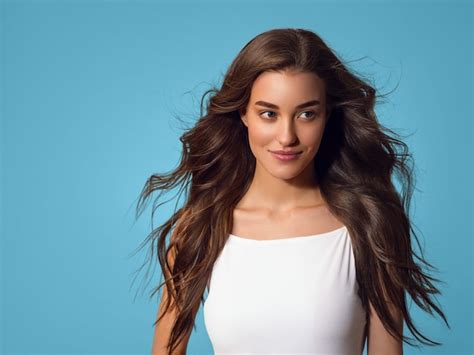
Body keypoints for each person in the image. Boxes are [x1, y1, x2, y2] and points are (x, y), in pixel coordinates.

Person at [134, 28, 450, 355]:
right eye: (269, 113)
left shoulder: (370, 227)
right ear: (244, 113)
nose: (287, 137)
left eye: (306, 114)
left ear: (327, 115)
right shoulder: (198, 230)